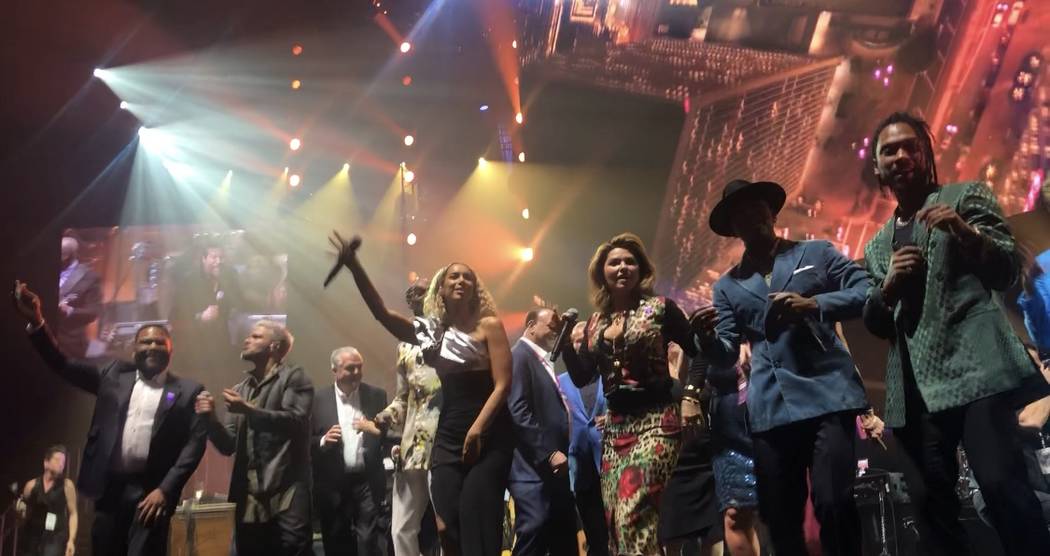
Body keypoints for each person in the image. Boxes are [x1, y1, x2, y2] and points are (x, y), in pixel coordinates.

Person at [862, 111, 1050, 555]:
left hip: (976, 375)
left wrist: (965, 233)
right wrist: (886, 287)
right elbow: (875, 322)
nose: (902, 155)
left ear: (926, 154)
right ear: (876, 166)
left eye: (912, 146)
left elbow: (1005, 271)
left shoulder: (965, 197)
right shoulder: (875, 246)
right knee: (932, 509)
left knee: (1003, 487)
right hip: (916, 392)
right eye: (890, 149)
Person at [694, 179, 872, 555]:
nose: (749, 216)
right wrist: (707, 340)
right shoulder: (727, 286)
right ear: (733, 229)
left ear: (772, 213)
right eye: (739, 214)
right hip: (771, 409)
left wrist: (815, 305)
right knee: (780, 517)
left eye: (756, 207)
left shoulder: (816, 252)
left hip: (828, 396)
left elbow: (865, 290)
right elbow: (726, 352)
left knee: (833, 501)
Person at [328, 232, 514, 556]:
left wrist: (478, 429)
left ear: (474, 288)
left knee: (478, 519)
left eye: (467, 277)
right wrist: (354, 266)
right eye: (453, 275)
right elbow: (382, 314)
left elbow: (502, 385)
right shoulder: (430, 331)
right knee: (447, 523)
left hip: (488, 430)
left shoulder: (489, 326)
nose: (460, 280)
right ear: (441, 288)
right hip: (449, 431)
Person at [13, 281, 207, 556]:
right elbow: (62, 364)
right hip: (109, 489)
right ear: (133, 349)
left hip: (151, 492)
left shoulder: (188, 391)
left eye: (158, 342)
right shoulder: (113, 376)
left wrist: (166, 489)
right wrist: (37, 321)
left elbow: (194, 446)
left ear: (170, 350)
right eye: (145, 342)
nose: (151, 346)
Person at [561, 232, 706, 555]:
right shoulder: (595, 323)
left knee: (633, 514)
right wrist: (565, 345)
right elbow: (583, 376)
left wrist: (691, 396)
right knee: (615, 525)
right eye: (615, 262)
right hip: (615, 429)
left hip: (658, 422)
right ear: (602, 273)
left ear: (642, 270)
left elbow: (699, 350)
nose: (623, 267)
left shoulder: (661, 308)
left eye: (630, 261)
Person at [194, 320, 314, 556]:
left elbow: (297, 423)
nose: (247, 340)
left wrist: (249, 411)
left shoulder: (294, 377)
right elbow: (227, 445)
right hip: (249, 495)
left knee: (293, 550)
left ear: (274, 346)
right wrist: (210, 418)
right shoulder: (240, 390)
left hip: (286, 490)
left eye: (256, 336)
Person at [373, 279, 443, 556]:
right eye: (410, 291)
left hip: (443, 436)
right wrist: (384, 417)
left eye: (422, 290)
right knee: (401, 526)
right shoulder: (404, 345)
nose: (414, 294)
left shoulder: (448, 333)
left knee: (447, 521)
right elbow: (403, 397)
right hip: (413, 444)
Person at [507, 307, 578, 556]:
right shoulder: (519, 356)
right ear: (531, 325)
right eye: (551, 325)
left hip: (552, 467)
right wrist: (548, 452)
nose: (556, 331)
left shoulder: (542, 359)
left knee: (562, 533)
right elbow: (518, 410)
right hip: (532, 466)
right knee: (534, 528)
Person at [311, 346, 389, 556]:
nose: (356, 373)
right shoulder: (317, 399)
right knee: (336, 539)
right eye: (350, 368)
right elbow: (303, 442)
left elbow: (386, 435)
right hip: (333, 483)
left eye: (359, 367)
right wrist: (322, 441)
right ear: (334, 370)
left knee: (369, 540)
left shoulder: (377, 395)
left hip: (367, 480)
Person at [658, 342, 722, 556]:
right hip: (672, 461)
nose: (673, 344)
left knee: (713, 530)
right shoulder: (658, 372)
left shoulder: (698, 366)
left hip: (702, 456)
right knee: (672, 532)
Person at [558, 321, 608, 556]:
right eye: (576, 341)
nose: (580, 345)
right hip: (580, 467)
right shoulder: (560, 382)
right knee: (593, 531)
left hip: (609, 461)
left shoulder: (608, 375)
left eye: (584, 340)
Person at [705, 342, 760, 556]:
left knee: (780, 511)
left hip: (767, 415)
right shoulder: (706, 317)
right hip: (727, 429)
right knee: (735, 514)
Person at [169, 241, 242, 373]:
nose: (218, 261)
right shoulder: (189, 282)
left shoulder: (229, 278)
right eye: (214, 257)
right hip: (196, 349)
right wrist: (200, 317)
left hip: (222, 347)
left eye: (221, 257)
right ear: (203, 259)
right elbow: (174, 317)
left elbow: (237, 304)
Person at [16, 445, 78, 556]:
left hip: (55, 537)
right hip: (33, 537)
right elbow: (22, 510)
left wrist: (71, 540)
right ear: (46, 463)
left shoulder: (67, 485)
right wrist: (20, 512)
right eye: (58, 460)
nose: (61, 464)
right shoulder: (31, 485)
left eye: (63, 462)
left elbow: (73, 514)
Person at [56, 236, 101, 358]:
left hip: (71, 345)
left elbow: (94, 312)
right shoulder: (47, 271)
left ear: (66, 256)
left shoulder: (90, 277)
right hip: (44, 337)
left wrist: (69, 311)